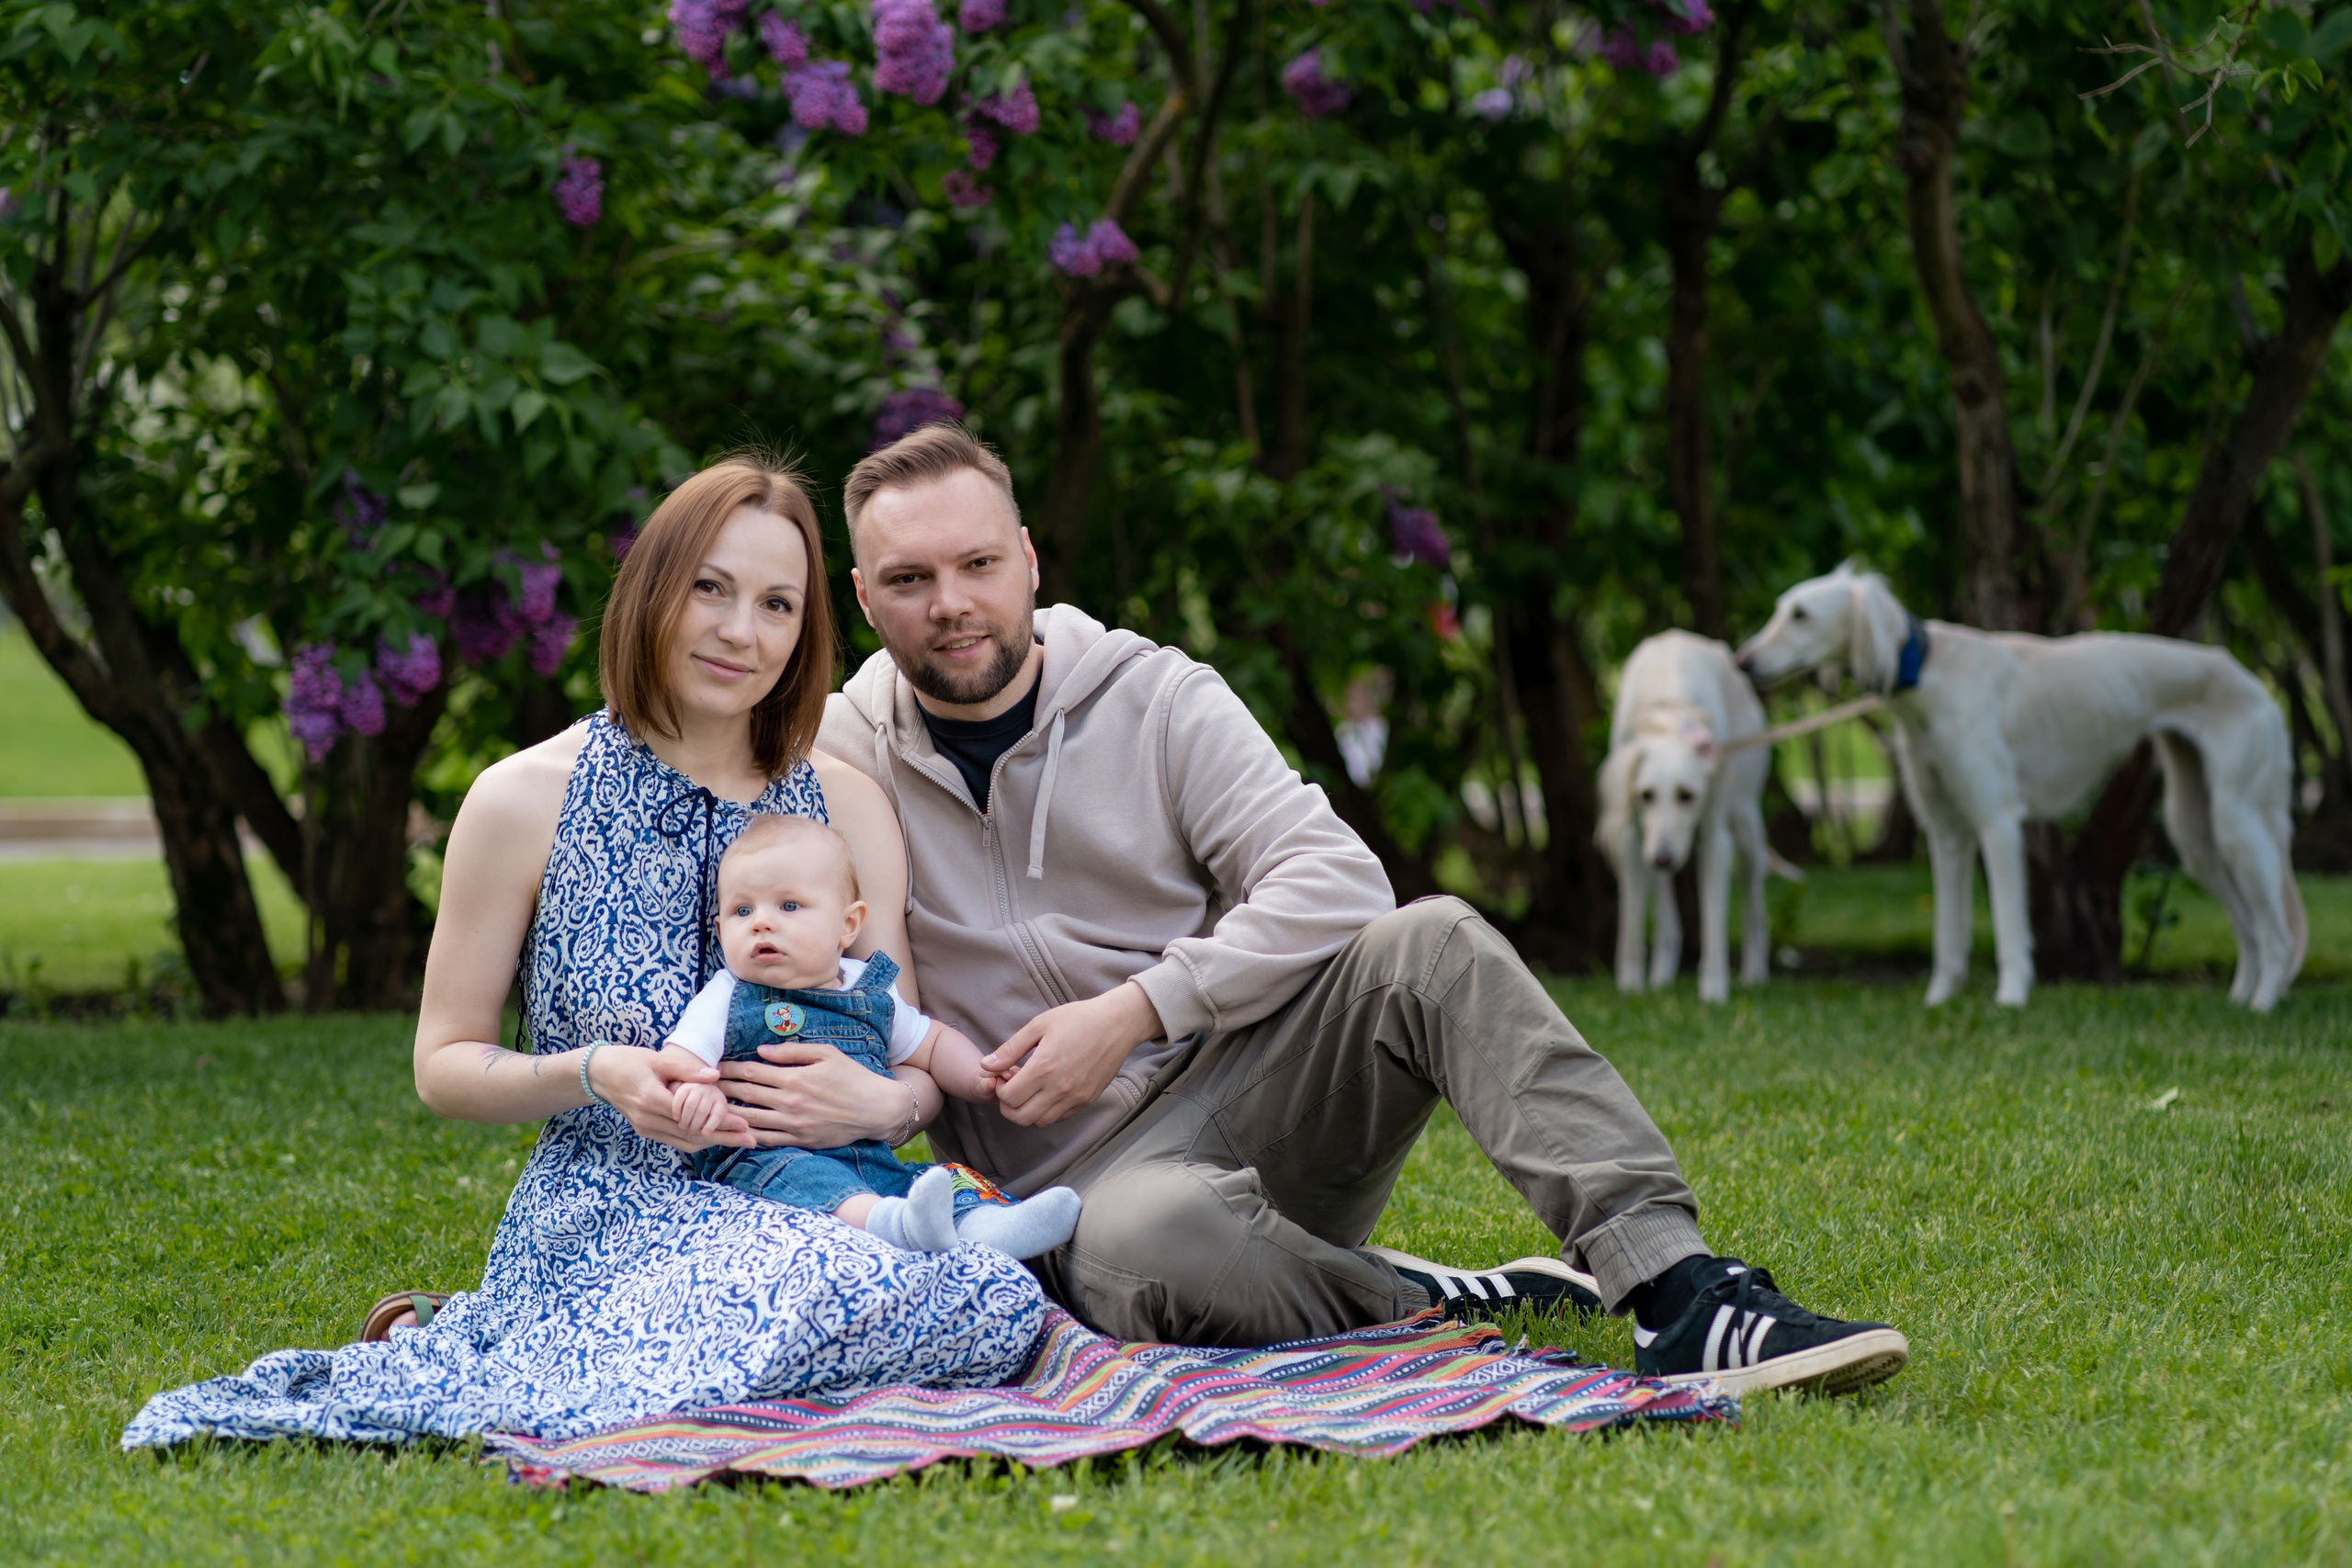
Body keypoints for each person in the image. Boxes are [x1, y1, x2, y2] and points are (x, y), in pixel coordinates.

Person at [815, 423, 1910, 1396]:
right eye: (909, 579)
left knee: (1428, 940)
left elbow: (1336, 879)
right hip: (1066, 1202)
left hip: (1244, 1091)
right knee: (1151, 1242)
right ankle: (1415, 1300)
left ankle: (1679, 1290)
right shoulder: (833, 759)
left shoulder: (1152, 695)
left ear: (1030, 561)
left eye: (978, 563)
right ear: (864, 600)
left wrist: (1139, 1010)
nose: (950, 602)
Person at [124, 454, 1046, 1452]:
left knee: (995, 1296)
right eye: (711, 589)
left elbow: (908, 1046)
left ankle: (645, 1359)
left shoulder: (848, 802)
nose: (742, 631)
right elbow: (445, 1066)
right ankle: (551, 1337)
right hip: (608, 1215)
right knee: (832, 1292)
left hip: (823, 1202)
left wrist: (894, 1104)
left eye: (778, 605)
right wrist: (597, 1073)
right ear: (653, 591)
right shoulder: (525, 799)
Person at [660, 810, 1082, 1258]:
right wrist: (696, 1092)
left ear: (848, 925)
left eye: (788, 906)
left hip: (870, 1157)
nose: (761, 922)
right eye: (742, 910)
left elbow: (930, 1043)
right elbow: (682, 1057)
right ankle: (893, 1226)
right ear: (722, 932)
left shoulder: (870, 988)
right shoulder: (728, 993)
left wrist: (981, 1077)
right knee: (815, 1180)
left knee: (933, 1179)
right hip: (767, 1160)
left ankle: (990, 1226)